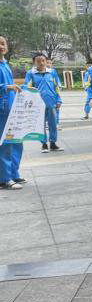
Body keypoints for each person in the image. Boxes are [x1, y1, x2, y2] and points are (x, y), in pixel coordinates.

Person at [24, 53, 63, 153]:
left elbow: (57, 87)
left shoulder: (52, 72)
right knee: (40, 124)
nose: (41, 63)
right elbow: (27, 88)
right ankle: (44, 144)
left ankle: (53, 143)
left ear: (46, 61)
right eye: (38, 61)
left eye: (43, 60)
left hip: (52, 103)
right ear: (34, 62)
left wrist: (59, 100)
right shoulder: (30, 73)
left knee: (53, 124)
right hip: (38, 104)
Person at [0, 35, 25, 190]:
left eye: (3, 43)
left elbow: (11, 85)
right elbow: (6, 86)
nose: (1, 46)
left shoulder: (5, 64)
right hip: (2, 110)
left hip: (11, 108)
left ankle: (14, 173)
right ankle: (4, 179)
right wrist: (7, 87)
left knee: (17, 142)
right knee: (5, 144)